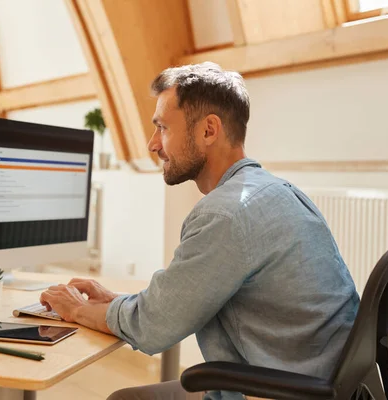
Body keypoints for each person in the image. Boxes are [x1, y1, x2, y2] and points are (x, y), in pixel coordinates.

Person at [39, 62, 359, 400]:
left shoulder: (225, 214)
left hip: (275, 391)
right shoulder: (277, 191)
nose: (152, 144)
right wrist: (113, 300)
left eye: (162, 127)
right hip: (320, 383)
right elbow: (173, 305)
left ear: (208, 130)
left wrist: (75, 309)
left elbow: (153, 327)